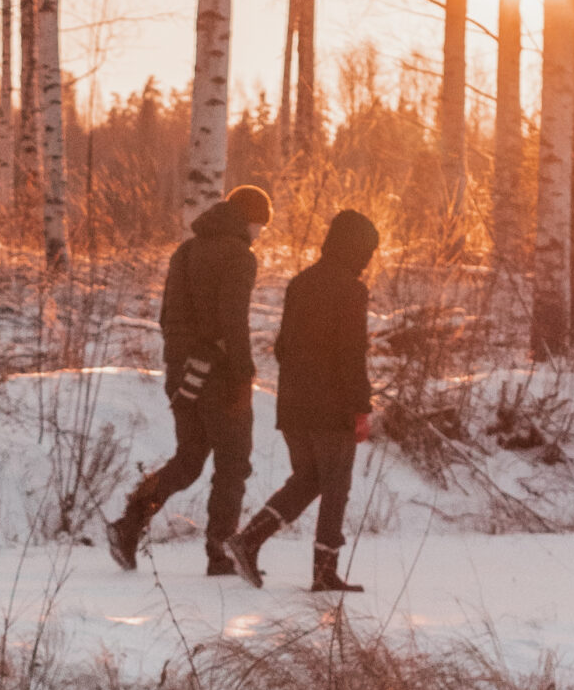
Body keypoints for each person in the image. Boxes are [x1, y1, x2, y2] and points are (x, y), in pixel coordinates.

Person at [107, 183, 271, 577]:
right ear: (250, 220)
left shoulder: (185, 251)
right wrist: (242, 372)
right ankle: (221, 553)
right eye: (260, 225)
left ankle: (129, 523)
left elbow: (168, 318)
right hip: (220, 374)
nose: (260, 233)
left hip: (182, 373)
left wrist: (183, 363)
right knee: (233, 464)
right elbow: (234, 322)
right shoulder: (240, 257)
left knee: (189, 460)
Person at [225, 207, 378, 594]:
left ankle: (248, 541)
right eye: (368, 250)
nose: (369, 258)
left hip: (293, 405)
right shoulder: (350, 289)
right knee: (335, 486)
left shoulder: (301, 283)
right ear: (356, 248)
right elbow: (351, 352)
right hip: (332, 407)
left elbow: (281, 347)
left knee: (309, 479)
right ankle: (324, 571)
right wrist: (361, 406)